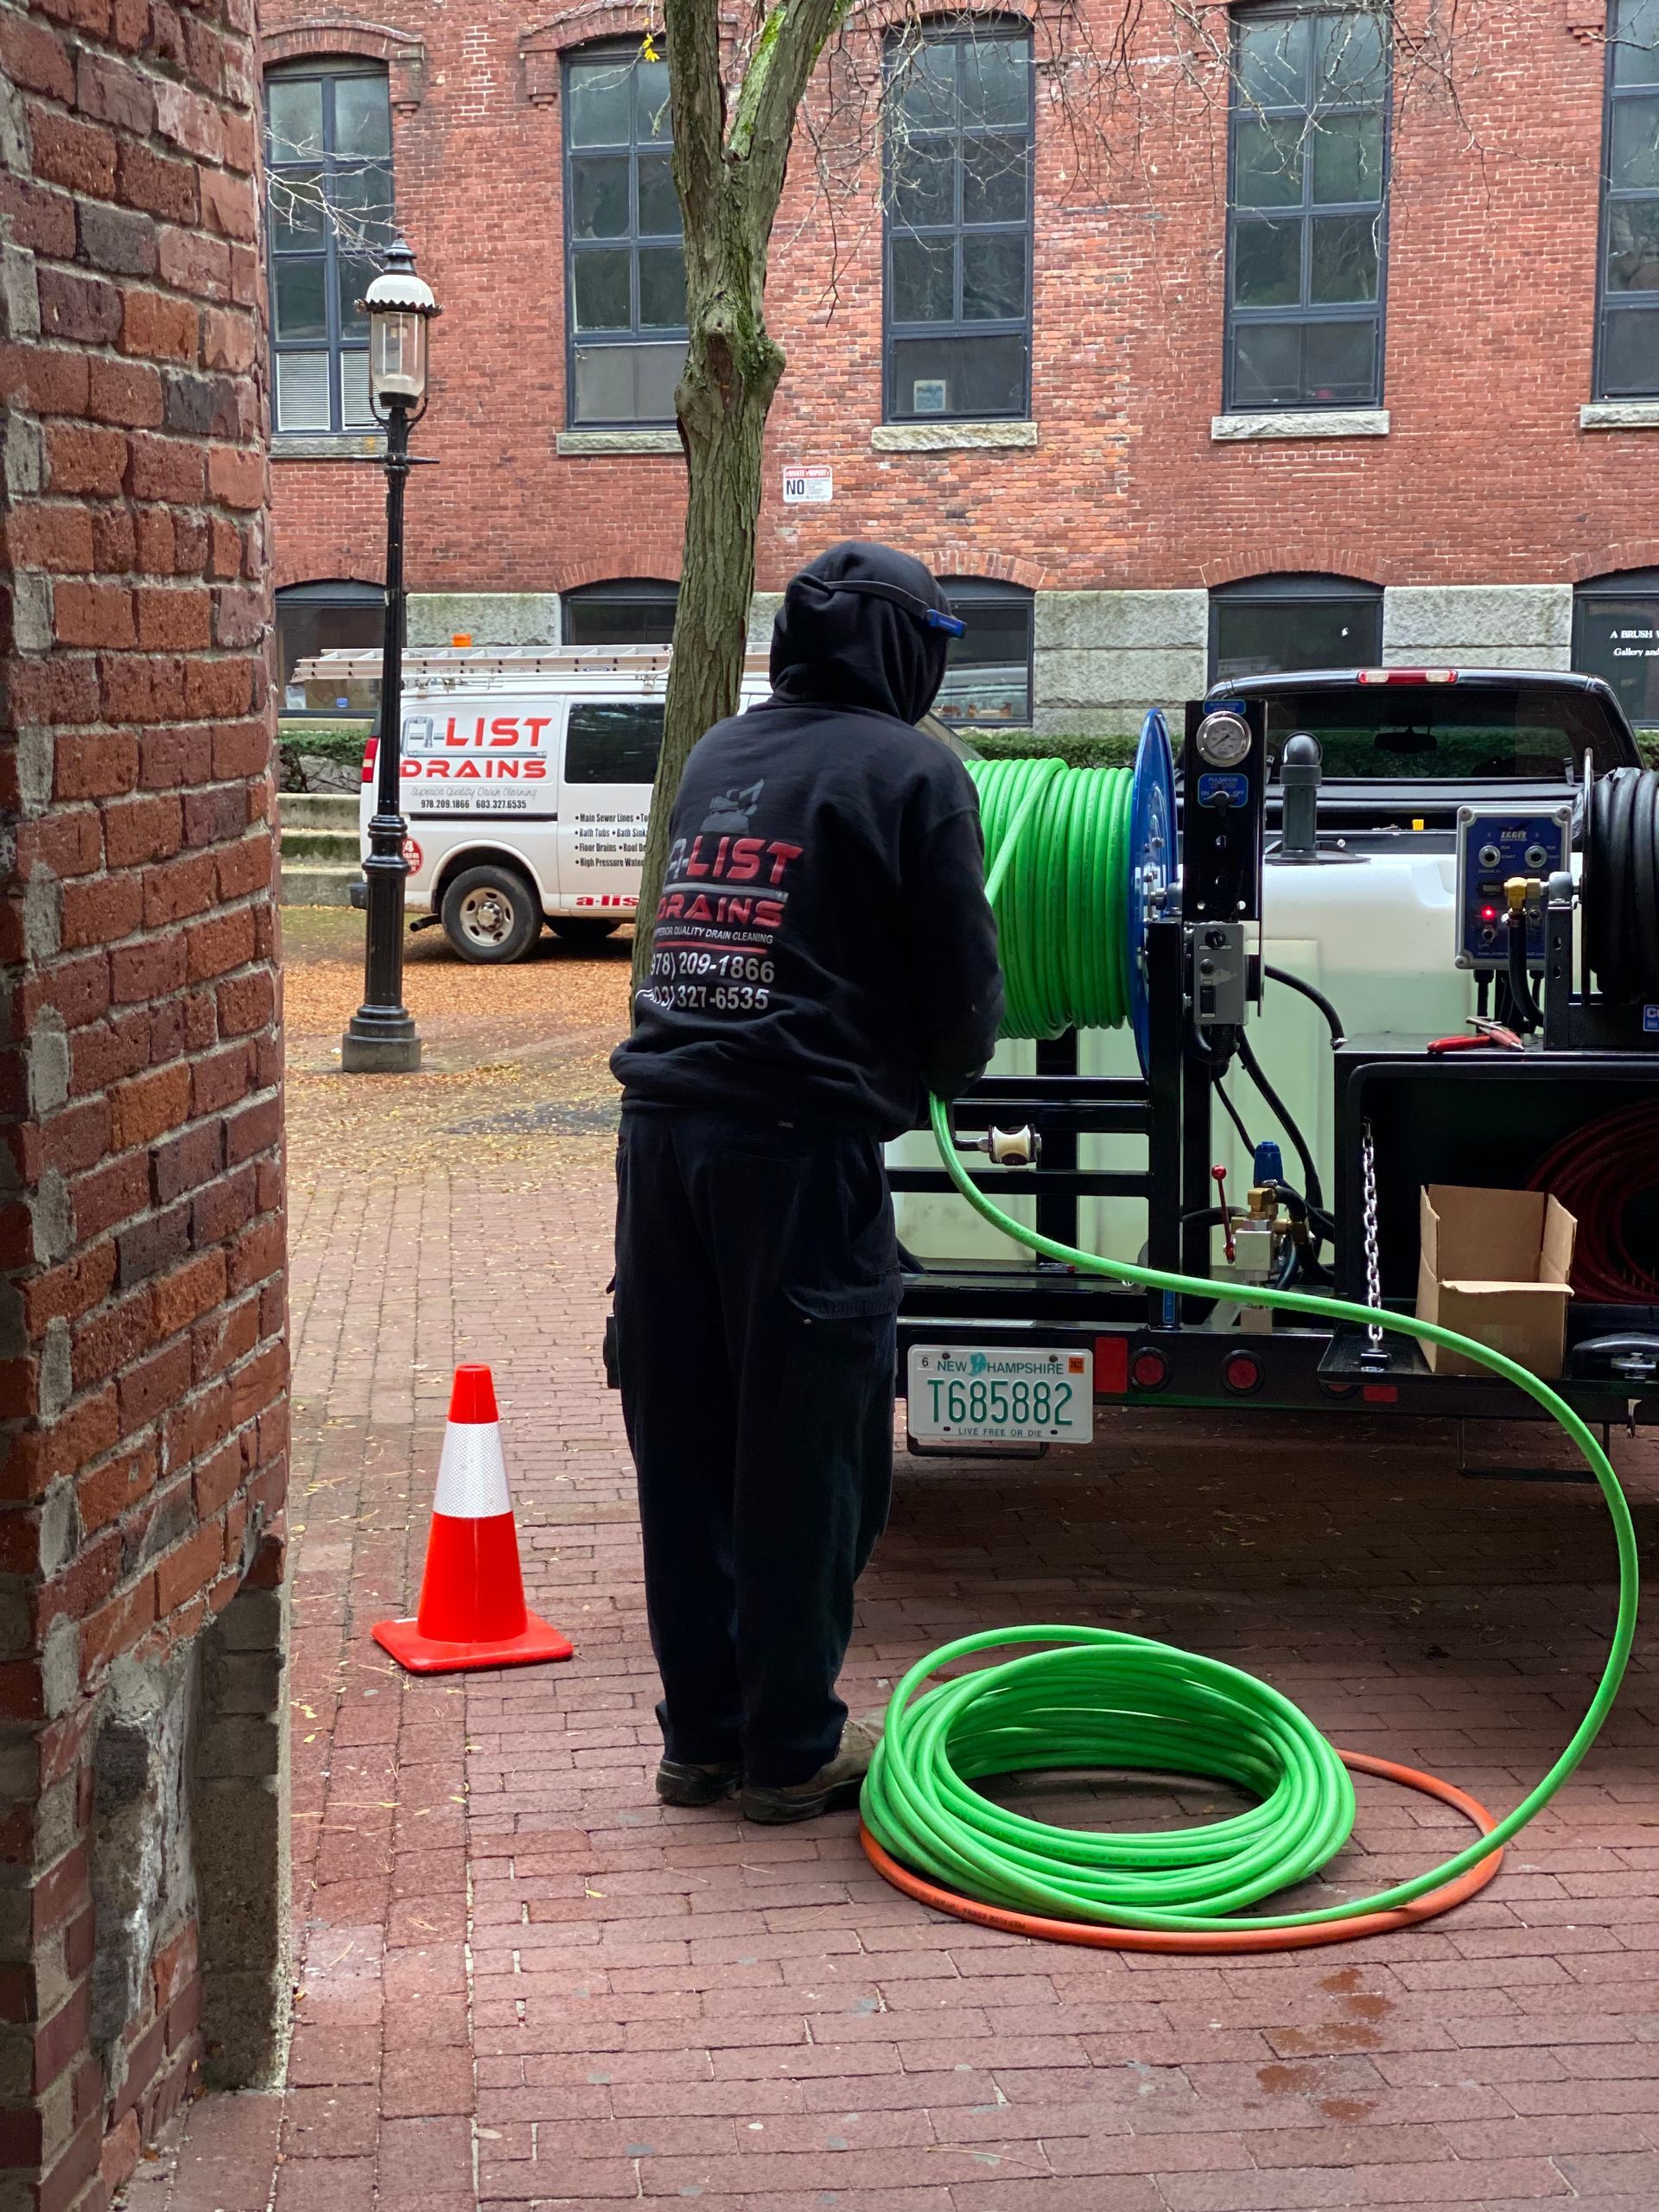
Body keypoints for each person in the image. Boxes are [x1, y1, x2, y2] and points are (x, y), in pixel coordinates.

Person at [610, 541, 1004, 1823]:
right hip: (794, 1154)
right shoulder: (915, 771)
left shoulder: (722, 757)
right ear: (905, 649)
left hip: (661, 1138)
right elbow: (961, 1002)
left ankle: (703, 1739)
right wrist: (930, 1073)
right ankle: (789, 1750)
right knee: (807, 1454)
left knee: (686, 1439)